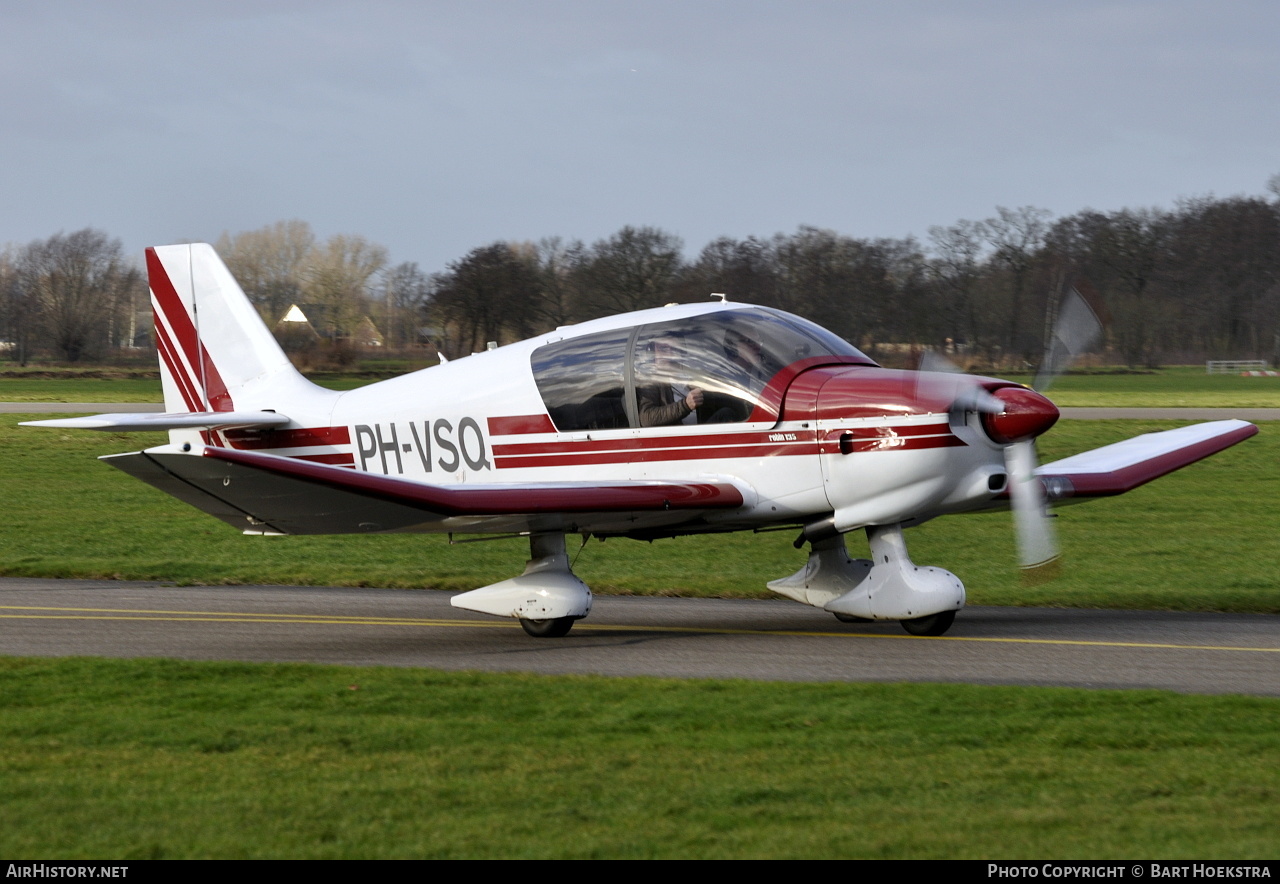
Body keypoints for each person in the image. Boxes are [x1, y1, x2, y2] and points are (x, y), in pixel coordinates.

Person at [637, 337, 704, 427]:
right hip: (680, 437)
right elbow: (646, 418)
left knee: (725, 413)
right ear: (652, 353)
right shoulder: (651, 381)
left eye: (674, 349)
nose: (669, 354)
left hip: (700, 430)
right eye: (663, 349)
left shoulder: (688, 377)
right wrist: (685, 405)